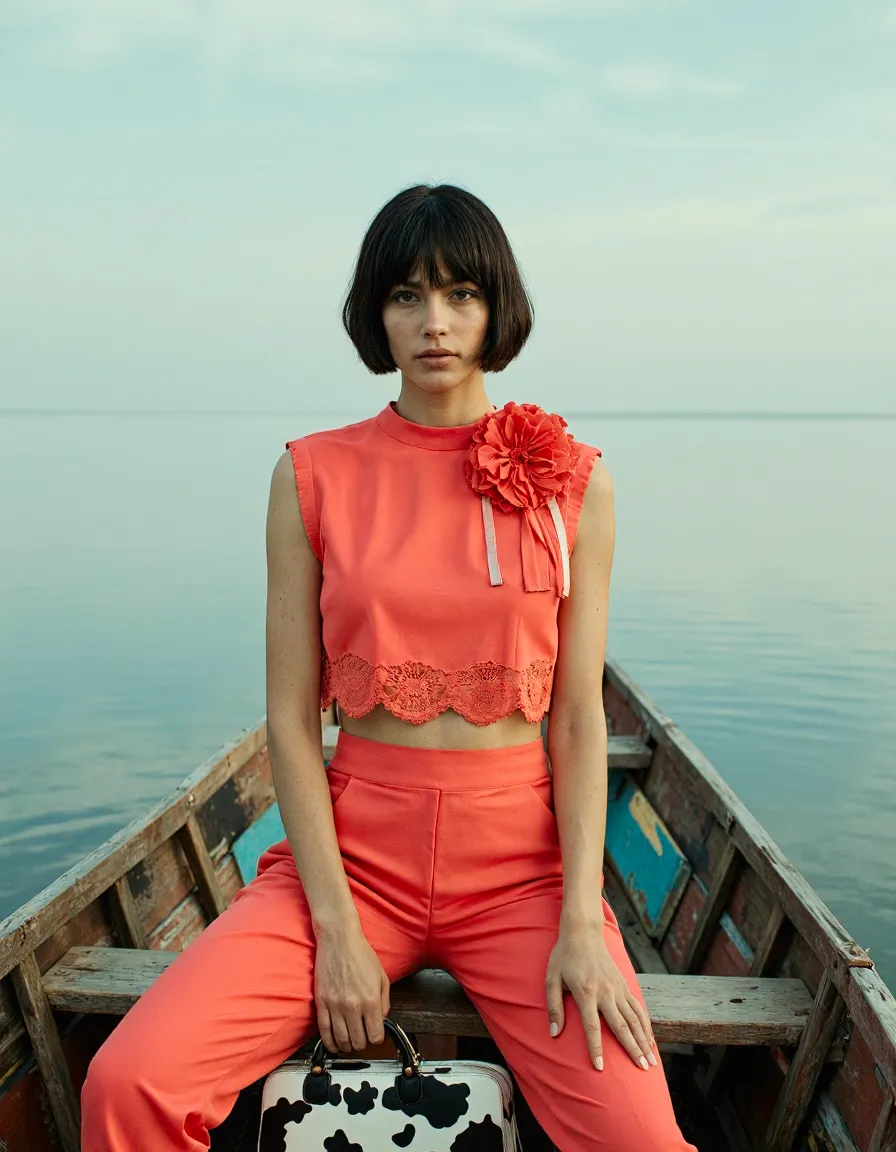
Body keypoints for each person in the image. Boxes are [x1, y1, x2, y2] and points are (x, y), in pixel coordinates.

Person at [81, 183, 697, 1150]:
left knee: (643, 1141)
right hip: (352, 857)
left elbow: (578, 719)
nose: (435, 323)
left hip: (524, 877)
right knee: (128, 1083)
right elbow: (290, 718)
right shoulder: (312, 474)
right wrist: (334, 929)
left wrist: (585, 915)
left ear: (499, 307)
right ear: (376, 313)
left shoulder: (574, 480)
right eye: (407, 296)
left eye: (460, 295)